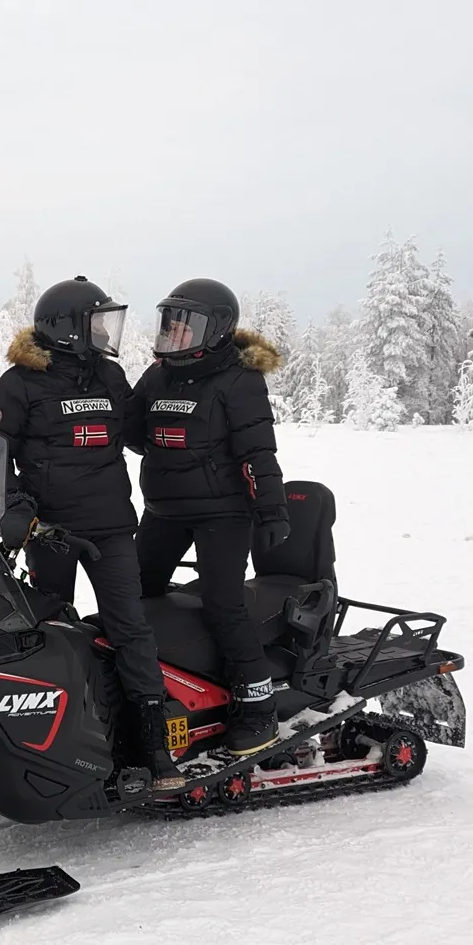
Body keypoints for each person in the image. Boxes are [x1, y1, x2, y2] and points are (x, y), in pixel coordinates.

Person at [0, 275, 185, 791]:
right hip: (47, 530)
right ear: (67, 327)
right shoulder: (19, 382)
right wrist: (13, 504)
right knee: (49, 629)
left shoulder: (111, 377)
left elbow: (139, 434)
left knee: (130, 628)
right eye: (96, 322)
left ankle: (153, 743)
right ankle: (57, 737)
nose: (104, 332)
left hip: (113, 527)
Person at [127, 278, 291, 756]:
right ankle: (158, 689)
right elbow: (132, 428)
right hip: (163, 511)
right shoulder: (158, 376)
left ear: (215, 330)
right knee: (132, 595)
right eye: (170, 325)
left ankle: (258, 709)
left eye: (186, 326)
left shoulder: (239, 381)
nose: (175, 334)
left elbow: (258, 452)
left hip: (223, 514)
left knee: (222, 603)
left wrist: (272, 509)